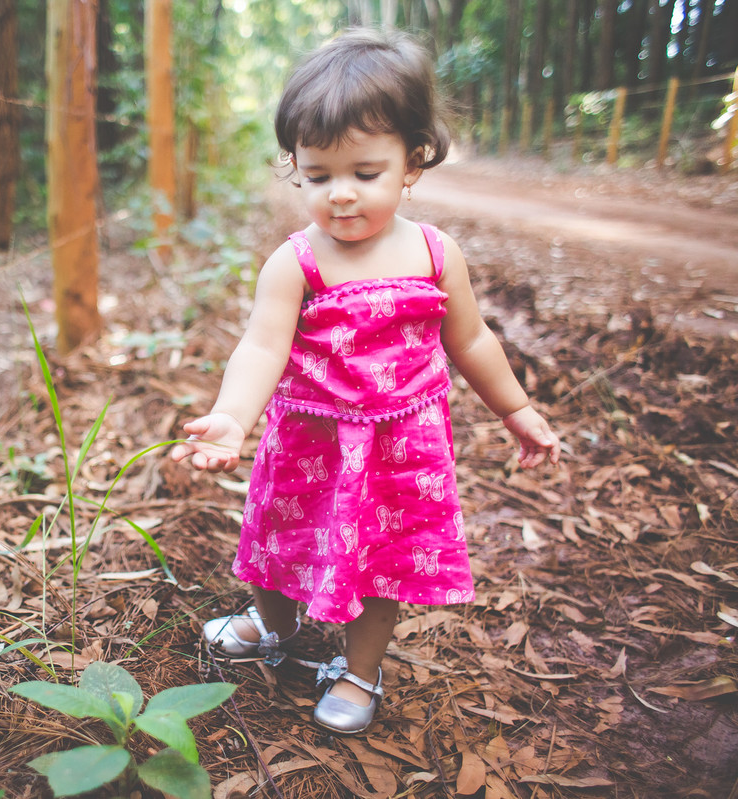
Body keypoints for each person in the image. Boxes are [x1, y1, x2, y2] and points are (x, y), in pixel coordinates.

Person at [170, 28, 559, 735]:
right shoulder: (296, 262)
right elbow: (262, 344)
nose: (340, 196)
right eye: (319, 177)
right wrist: (232, 415)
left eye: (364, 173)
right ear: (296, 167)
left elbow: (470, 339)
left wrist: (517, 408)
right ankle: (272, 623)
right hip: (307, 439)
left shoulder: (436, 254)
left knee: (384, 562)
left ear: (412, 161)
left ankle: (360, 668)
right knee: (275, 540)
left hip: (401, 449)